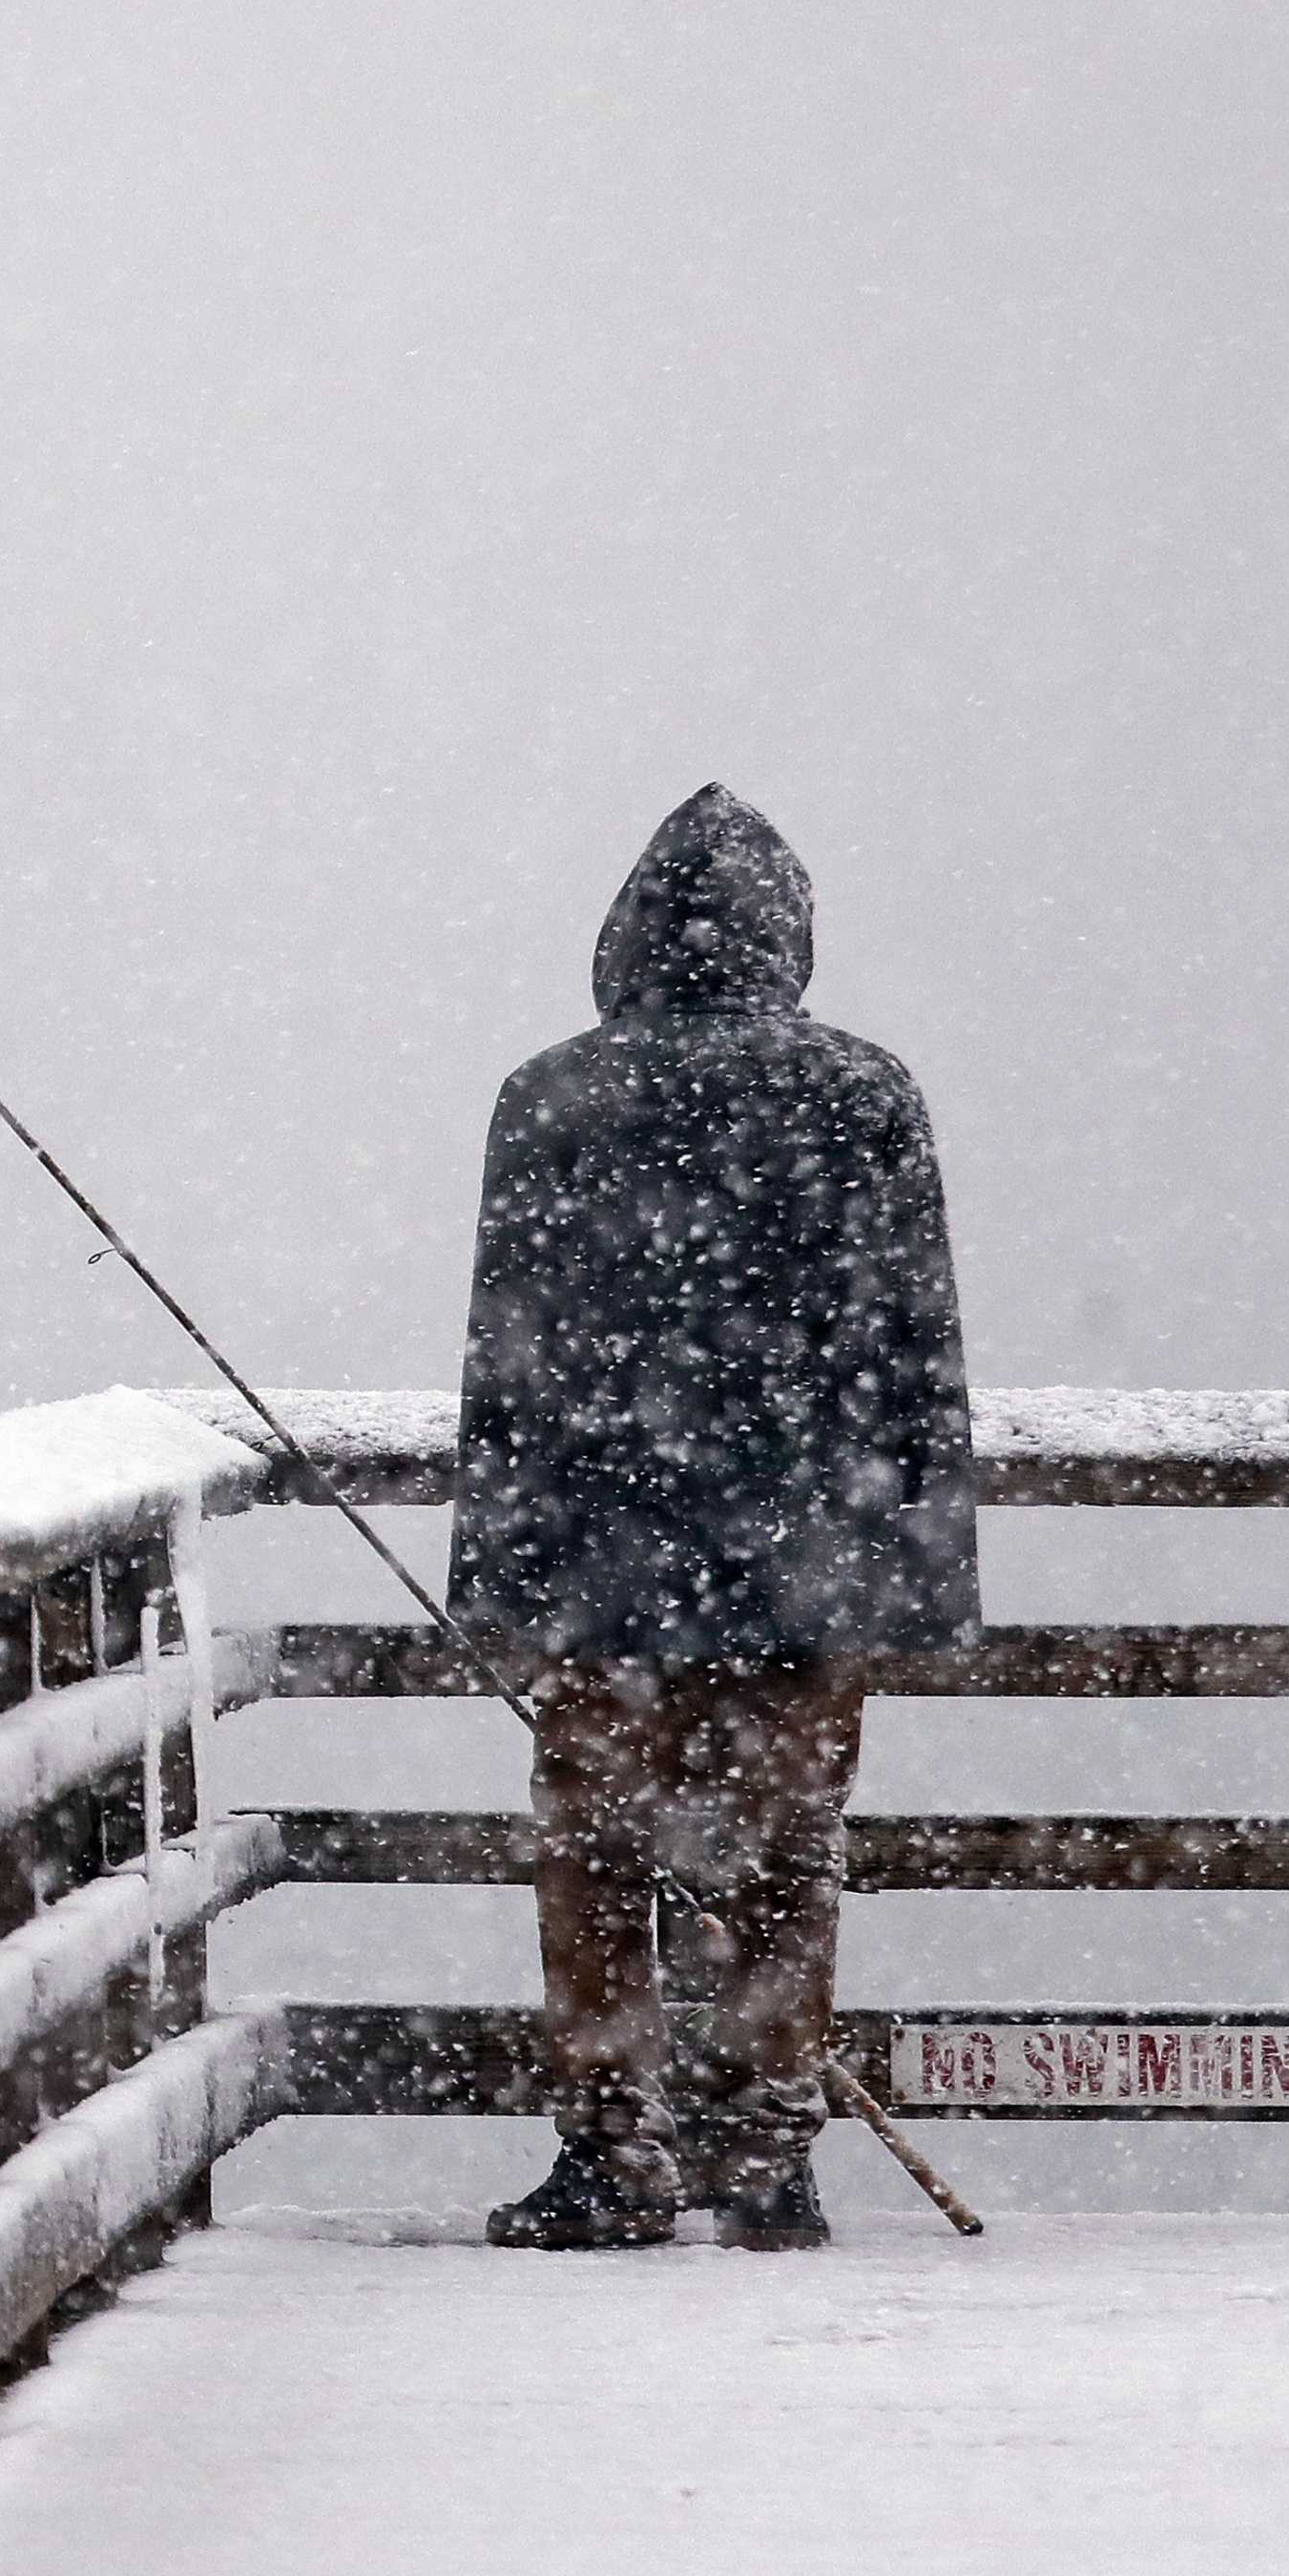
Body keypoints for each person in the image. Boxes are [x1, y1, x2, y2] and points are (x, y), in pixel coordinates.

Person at [448, 786, 976, 2251]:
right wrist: (914, 1574)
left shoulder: (551, 1095)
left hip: (603, 1568)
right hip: (806, 1567)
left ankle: (617, 2158)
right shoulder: (870, 1095)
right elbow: (914, 1355)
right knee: (787, 1859)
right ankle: (765, 2156)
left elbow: (511, 1359)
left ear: (623, 939)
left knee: (600, 1863)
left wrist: (494, 1579)